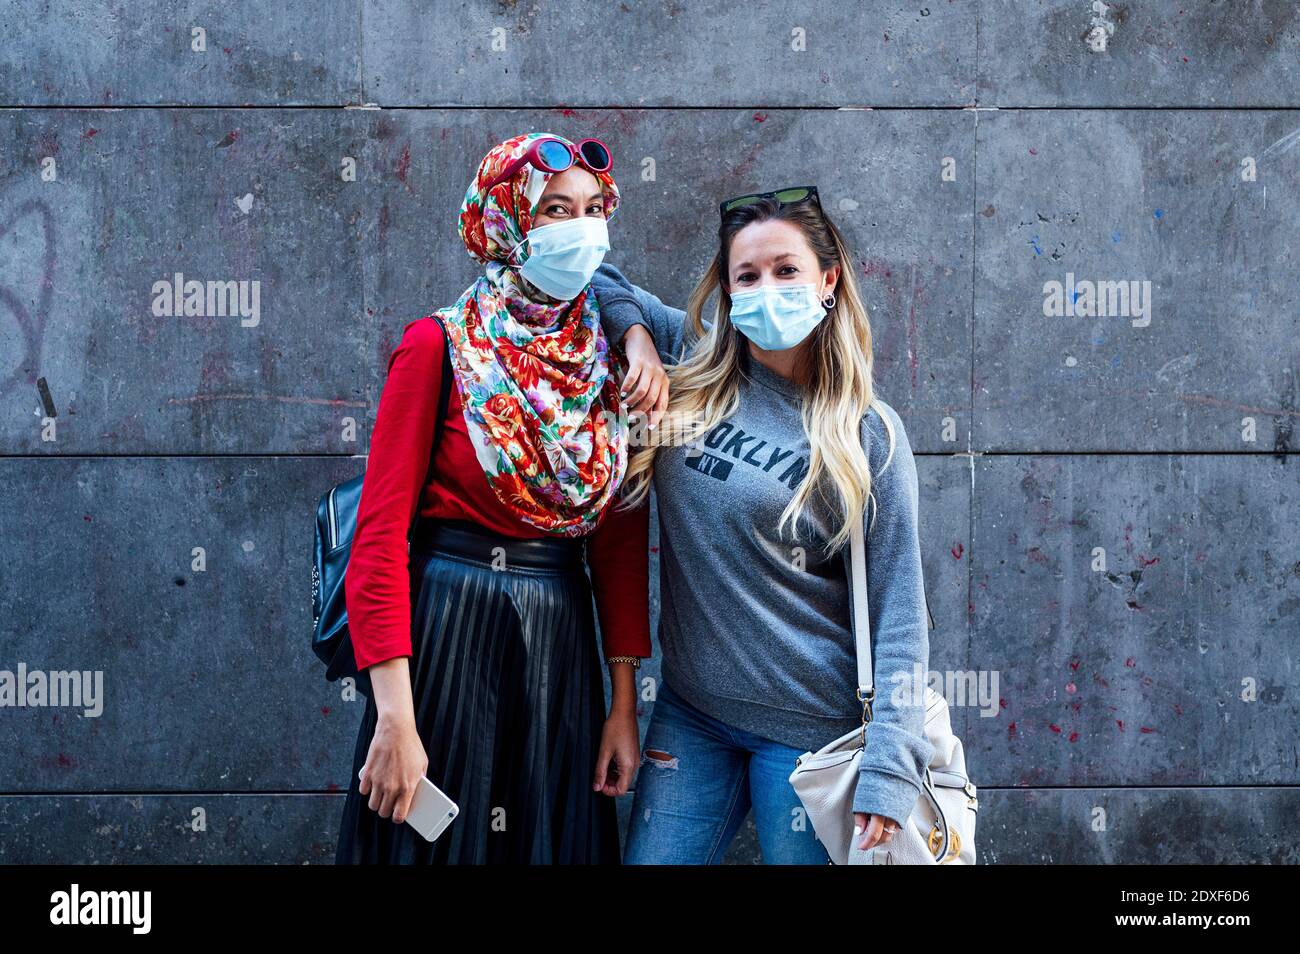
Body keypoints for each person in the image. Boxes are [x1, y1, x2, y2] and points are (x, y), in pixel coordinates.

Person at [588, 185, 934, 864]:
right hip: (691, 716)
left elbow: (901, 617)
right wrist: (635, 338)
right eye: (746, 275)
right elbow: (595, 277)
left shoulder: (867, 436)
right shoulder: (692, 357)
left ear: (828, 280)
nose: (765, 288)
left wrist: (891, 769)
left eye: (786, 270)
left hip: (810, 734)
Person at [335, 132, 650, 864]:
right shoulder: (437, 347)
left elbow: (619, 543)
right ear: (505, 221)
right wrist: (393, 721)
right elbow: (378, 539)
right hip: (446, 633)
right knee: (436, 845)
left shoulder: (608, 367)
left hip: (559, 643)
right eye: (554, 211)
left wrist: (623, 703)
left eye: (593, 209)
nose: (580, 229)